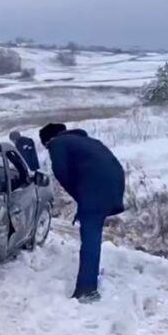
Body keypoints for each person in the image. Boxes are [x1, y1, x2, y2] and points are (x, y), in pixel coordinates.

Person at [39, 122, 125, 303]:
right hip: (114, 184)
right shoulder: (85, 141)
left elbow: (62, 173)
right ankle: (90, 275)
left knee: (90, 237)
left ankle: (87, 289)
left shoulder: (57, 144)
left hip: (96, 188)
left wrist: (81, 199)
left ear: (48, 141)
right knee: (92, 230)